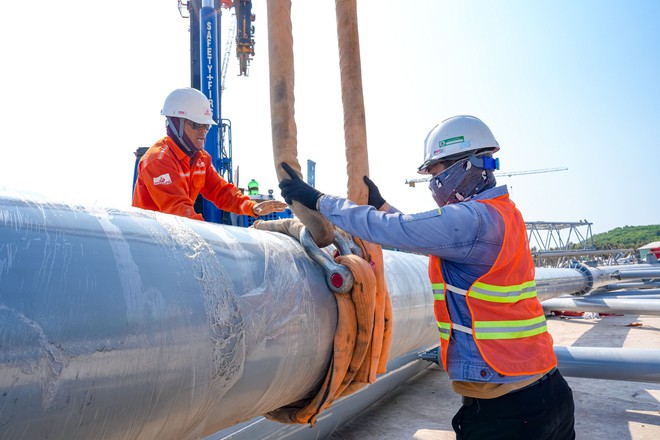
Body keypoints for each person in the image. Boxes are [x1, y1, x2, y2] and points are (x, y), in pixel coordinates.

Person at [279, 115, 575, 439]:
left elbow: (397, 230)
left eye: (436, 173)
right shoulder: (502, 213)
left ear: (464, 166)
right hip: (546, 392)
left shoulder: (473, 220)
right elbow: (423, 233)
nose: (434, 183)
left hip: (509, 412)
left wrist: (319, 201)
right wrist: (381, 205)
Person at [133, 87, 287, 221]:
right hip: (149, 240)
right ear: (175, 124)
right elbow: (179, 211)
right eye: (196, 125)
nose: (203, 131)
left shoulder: (202, 159)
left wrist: (251, 207)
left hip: (175, 236)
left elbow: (221, 191)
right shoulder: (158, 160)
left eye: (206, 126)